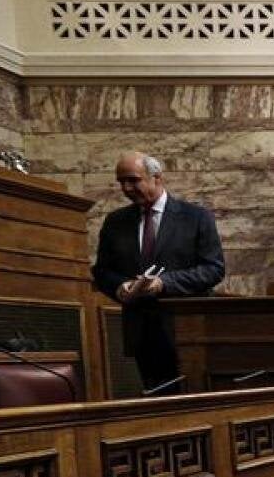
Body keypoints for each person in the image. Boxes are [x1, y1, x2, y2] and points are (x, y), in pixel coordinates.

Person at [91, 152, 225, 389]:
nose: (126, 188)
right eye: (121, 182)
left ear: (157, 178)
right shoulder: (115, 222)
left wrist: (163, 283)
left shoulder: (196, 218)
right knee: (157, 402)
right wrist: (120, 287)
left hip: (188, 331)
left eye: (133, 180)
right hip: (142, 333)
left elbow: (213, 269)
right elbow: (102, 271)